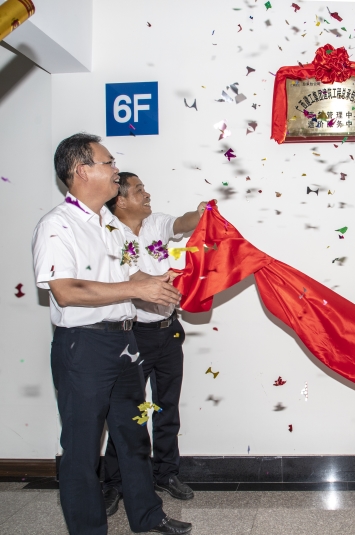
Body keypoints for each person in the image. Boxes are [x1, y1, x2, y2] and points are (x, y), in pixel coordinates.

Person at [32, 133, 192, 535]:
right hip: (84, 346)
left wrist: (158, 283)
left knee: (133, 435)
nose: (116, 170)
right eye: (109, 163)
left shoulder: (112, 226)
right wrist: (136, 289)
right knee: (82, 449)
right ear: (82, 171)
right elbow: (66, 291)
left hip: (125, 342)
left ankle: (147, 516)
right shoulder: (57, 225)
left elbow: (131, 275)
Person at [101, 172, 208, 515]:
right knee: (128, 413)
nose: (147, 194)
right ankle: (113, 483)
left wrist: (200, 213)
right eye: (139, 190)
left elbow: (183, 222)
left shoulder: (155, 224)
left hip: (168, 331)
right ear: (120, 199)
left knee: (166, 407)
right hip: (132, 335)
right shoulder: (107, 235)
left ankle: (166, 473)